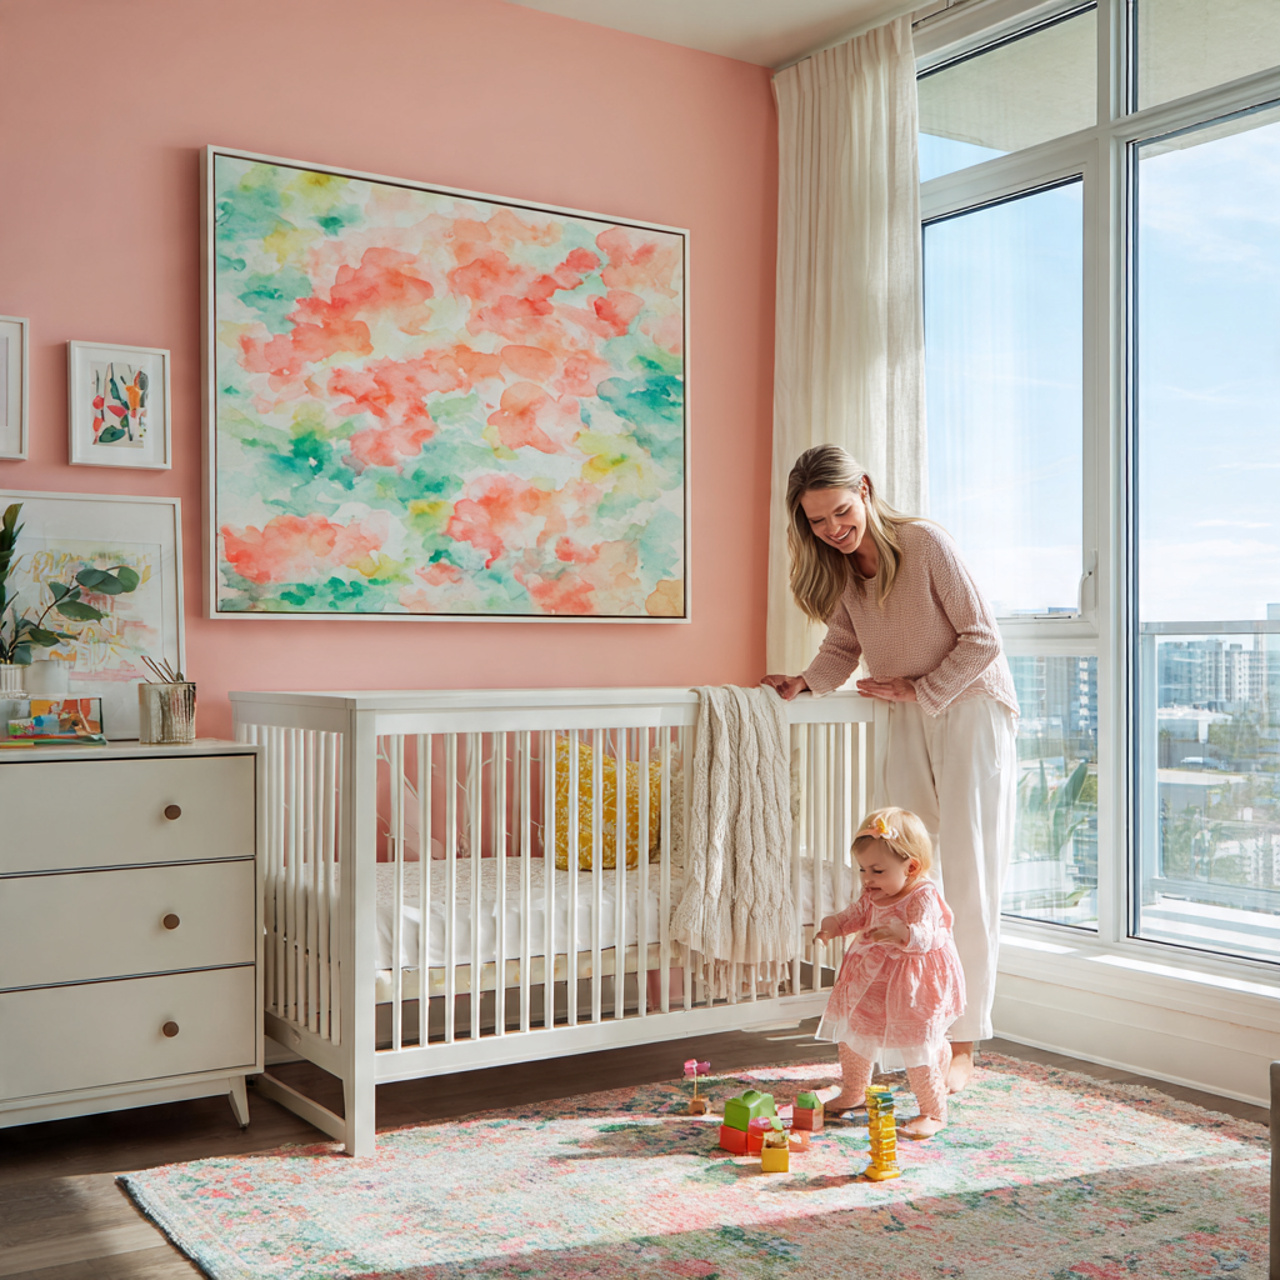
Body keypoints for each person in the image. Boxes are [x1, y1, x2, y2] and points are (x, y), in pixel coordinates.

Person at [762, 443, 1018, 1094]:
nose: (833, 530)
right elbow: (845, 645)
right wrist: (806, 683)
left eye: (841, 512)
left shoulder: (924, 543)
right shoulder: (844, 570)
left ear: (867, 491)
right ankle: (918, 1030)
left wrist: (922, 690)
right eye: (816, 521)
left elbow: (982, 638)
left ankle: (964, 1042)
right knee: (909, 876)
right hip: (906, 712)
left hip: (968, 710)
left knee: (968, 871)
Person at [813, 807, 963, 1138]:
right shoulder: (873, 893)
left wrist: (902, 933)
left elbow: (928, 934)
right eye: (863, 869)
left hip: (912, 985)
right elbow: (854, 914)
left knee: (915, 1046)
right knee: (854, 1034)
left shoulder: (922, 894)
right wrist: (832, 926)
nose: (867, 879)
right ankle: (853, 1090)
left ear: (911, 867)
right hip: (871, 980)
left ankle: (934, 1112)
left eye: (877, 870)